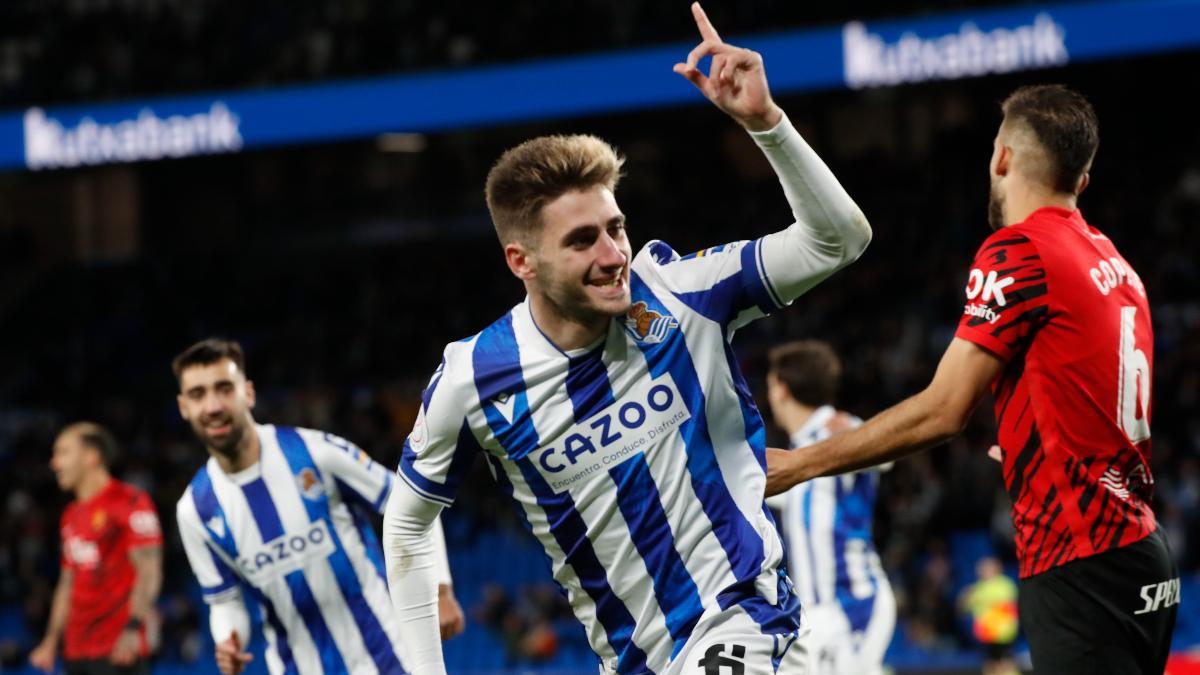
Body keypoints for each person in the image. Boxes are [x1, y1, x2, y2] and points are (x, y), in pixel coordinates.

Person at [381, 3, 872, 673]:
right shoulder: (473, 378)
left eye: (616, 227)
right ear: (521, 261)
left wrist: (766, 125)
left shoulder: (682, 292)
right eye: (583, 240)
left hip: (747, 620)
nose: (614, 254)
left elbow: (838, 241)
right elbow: (406, 522)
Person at [766, 84, 1178, 674]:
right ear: (1081, 181)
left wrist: (799, 464)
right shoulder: (1114, 262)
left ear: (1002, 157)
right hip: (1140, 552)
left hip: (1079, 560)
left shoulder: (1017, 251)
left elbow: (943, 411)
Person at [171, 338, 464, 675]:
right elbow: (224, 600)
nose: (212, 406)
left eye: (224, 389)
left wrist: (439, 587)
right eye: (197, 395)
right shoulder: (194, 511)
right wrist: (228, 639)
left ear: (247, 393)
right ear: (183, 407)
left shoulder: (314, 452)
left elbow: (413, 505)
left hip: (391, 659)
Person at [762, 341, 894, 675]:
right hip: (816, 611)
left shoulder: (832, 428)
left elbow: (888, 454)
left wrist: (857, 431)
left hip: (852, 601)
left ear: (782, 388)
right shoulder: (798, 452)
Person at [30, 422, 163, 675]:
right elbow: (68, 583)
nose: (54, 463)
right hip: (76, 653)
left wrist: (133, 628)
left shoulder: (130, 501)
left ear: (91, 456)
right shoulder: (70, 515)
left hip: (119, 652)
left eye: (63, 453)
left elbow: (149, 571)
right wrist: (51, 640)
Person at [958, 557, 1019, 675]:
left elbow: (1005, 603)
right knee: (989, 664)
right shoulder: (977, 588)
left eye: (986, 567)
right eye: (981, 568)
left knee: (1006, 663)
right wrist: (964, 598)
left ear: (997, 568)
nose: (981, 570)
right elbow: (963, 609)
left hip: (1003, 634)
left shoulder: (1004, 584)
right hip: (986, 635)